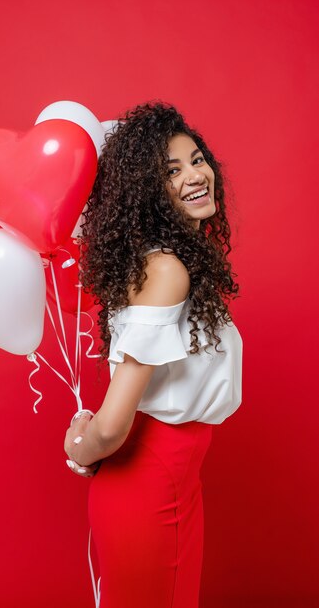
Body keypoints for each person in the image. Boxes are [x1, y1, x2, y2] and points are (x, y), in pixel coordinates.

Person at [64, 101, 243, 608]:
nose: (196, 174)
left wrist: (92, 439)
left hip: (175, 479)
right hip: (151, 483)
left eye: (197, 158)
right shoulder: (166, 270)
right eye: (172, 170)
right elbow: (113, 424)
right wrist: (81, 449)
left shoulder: (169, 263)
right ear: (147, 191)